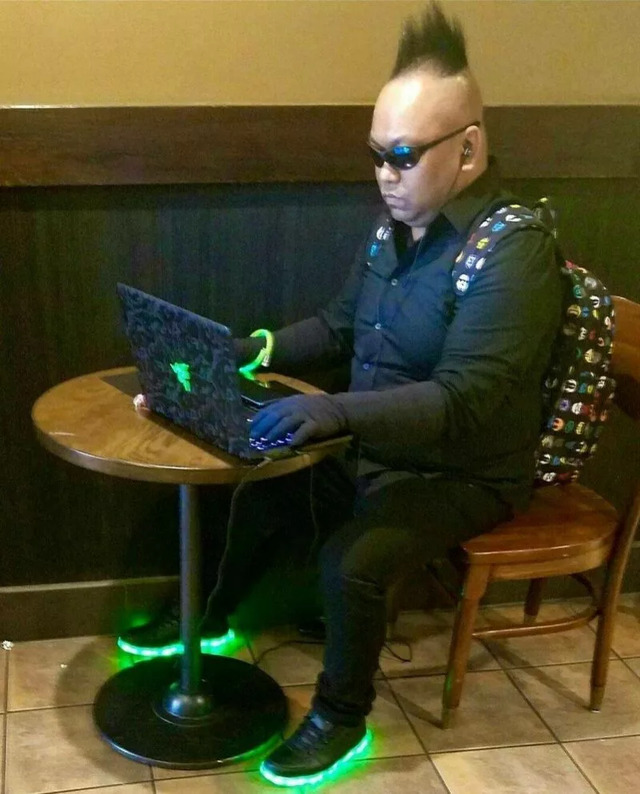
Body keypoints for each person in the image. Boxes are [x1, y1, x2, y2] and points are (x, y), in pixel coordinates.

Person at [122, 1, 562, 784]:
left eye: (403, 156)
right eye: (377, 156)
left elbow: (463, 401)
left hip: (464, 473)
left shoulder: (512, 252)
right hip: (376, 443)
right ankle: (207, 622)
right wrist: (250, 351)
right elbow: (336, 326)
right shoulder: (394, 230)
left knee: (350, 561)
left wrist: (331, 411)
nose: (385, 176)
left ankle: (341, 716)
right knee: (258, 482)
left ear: (468, 149)